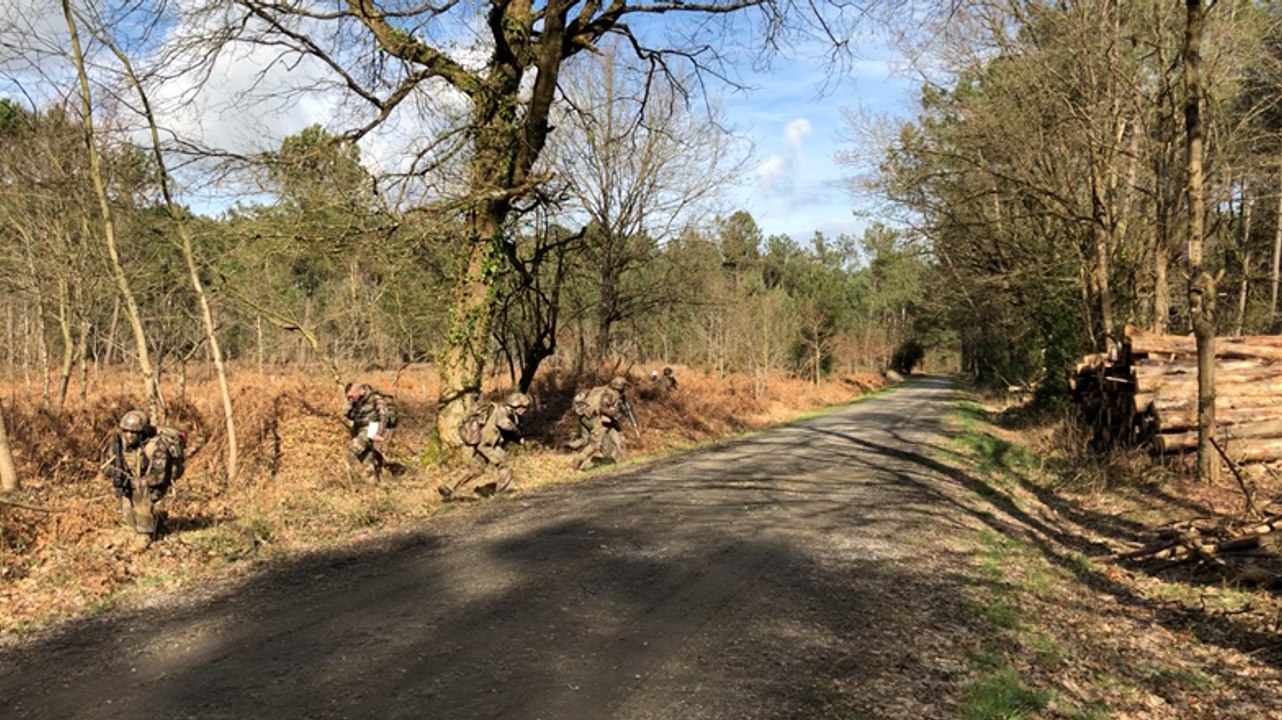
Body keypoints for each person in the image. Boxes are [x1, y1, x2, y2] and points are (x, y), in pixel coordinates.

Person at [101, 410, 177, 552]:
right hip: (131, 484)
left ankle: (145, 535)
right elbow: (105, 466)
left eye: (133, 432)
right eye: (126, 431)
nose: (128, 436)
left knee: (140, 496)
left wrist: (135, 483)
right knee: (128, 515)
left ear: (142, 433)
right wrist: (117, 474)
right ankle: (156, 520)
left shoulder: (156, 446)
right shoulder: (119, 445)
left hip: (153, 487)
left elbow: (159, 477)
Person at [441, 392, 531, 500]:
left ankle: (449, 487)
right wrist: (519, 436)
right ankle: (505, 490)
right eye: (524, 407)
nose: (524, 410)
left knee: (476, 470)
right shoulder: (502, 411)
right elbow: (507, 426)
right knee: (504, 462)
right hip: (487, 444)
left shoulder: (496, 409)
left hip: (481, 443)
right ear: (517, 405)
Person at [571, 376, 633, 471]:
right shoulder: (610, 395)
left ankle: (621, 463)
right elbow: (602, 408)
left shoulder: (604, 390)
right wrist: (614, 413)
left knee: (619, 438)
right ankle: (577, 461)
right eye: (624, 386)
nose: (624, 389)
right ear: (619, 386)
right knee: (595, 444)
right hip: (598, 420)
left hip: (591, 417)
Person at [343, 382, 391, 482]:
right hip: (359, 428)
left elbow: (384, 415)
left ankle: (354, 480)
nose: (351, 398)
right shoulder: (356, 401)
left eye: (352, 395)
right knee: (366, 456)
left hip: (372, 427)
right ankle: (371, 483)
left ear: (359, 391)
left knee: (352, 449)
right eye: (349, 397)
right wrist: (349, 402)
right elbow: (349, 415)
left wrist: (378, 433)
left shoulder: (375, 398)